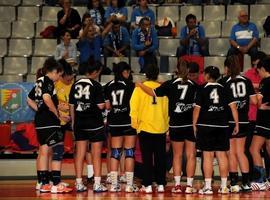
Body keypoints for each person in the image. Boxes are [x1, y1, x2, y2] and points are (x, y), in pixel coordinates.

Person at [137, 59, 197, 194]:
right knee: (191, 155)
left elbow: (153, 92)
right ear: (188, 71)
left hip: (175, 125)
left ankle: (176, 185)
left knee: (177, 155)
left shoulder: (170, 84)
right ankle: (189, 186)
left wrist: (140, 85)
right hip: (189, 125)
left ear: (176, 70)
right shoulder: (194, 85)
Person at [27, 57, 72, 193]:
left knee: (44, 152)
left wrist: (41, 110)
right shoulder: (48, 81)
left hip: (41, 122)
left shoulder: (39, 81)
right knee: (58, 151)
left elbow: (29, 99)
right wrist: (56, 115)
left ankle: (44, 183)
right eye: (59, 74)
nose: (59, 77)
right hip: (49, 123)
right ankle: (56, 184)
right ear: (54, 71)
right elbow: (46, 98)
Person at [193, 66, 239, 194]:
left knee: (207, 156)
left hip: (205, 126)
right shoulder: (225, 88)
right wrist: (236, 123)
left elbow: (197, 109)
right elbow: (233, 107)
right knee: (222, 155)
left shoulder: (202, 88)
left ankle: (207, 187)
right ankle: (224, 186)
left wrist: (194, 124)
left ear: (207, 75)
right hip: (222, 126)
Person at [219, 55, 257, 192]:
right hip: (243, 120)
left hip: (229, 120)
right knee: (241, 152)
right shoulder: (247, 80)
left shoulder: (224, 81)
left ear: (227, 67)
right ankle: (246, 183)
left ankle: (234, 183)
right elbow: (254, 101)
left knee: (231, 153)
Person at [69, 60, 107, 193]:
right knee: (96, 154)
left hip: (79, 123)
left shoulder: (75, 84)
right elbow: (101, 106)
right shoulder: (96, 85)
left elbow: (72, 106)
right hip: (94, 124)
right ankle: (97, 183)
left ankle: (78, 183)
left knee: (79, 154)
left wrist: (73, 124)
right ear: (95, 72)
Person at [130, 64, 169, 193]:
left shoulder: (139, 88)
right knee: (160, 157)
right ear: (157, 74)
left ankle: (147, 185)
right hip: (160, 127)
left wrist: (135, 126)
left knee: (146, 157)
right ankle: (161, 184)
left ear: (145, 74)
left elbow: (133, 108)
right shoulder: (163, 87)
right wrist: (166, 125)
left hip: (145, 127)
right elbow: (167, 110)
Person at [104, 62, 138, 192]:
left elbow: (107, 107)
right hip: (128, 122)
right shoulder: (130, 86)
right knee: (129, 152)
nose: (128, 74)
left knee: (115, 152)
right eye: (128, 72)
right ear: (124, 72)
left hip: (114, 122)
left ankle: (114, 185)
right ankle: (129, 185)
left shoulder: (107, 86)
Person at [249, 57, 270, 191]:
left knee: (253, 149)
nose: (258, 74)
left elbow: (258, 102)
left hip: (264, 121)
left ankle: (260, 180)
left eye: (259, 71)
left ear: (263, 69)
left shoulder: (265, 81)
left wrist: (251, 96)